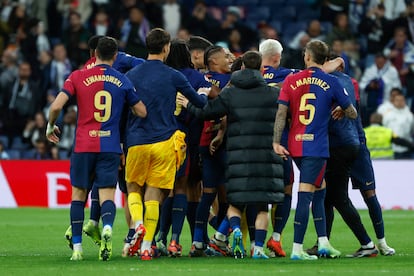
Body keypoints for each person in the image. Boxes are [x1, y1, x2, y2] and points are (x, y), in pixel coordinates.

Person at [46, 36, 147, 261]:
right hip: (110, 145)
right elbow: (142, 111)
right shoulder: (122, 80)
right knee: (107, 194)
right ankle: (108, 227)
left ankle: (78, 250)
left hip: (83, 145)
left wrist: (51, 126)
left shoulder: (77, 76)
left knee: (78, 195)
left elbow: (56, 106)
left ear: (94, 54)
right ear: (114, 56)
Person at [177, 51, 284, 259]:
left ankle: (231, 232)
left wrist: (187, 105)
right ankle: (258, 248)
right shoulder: (273, 94)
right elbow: (285, 115)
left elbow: (206, 112)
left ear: (242, 67)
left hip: (237, 154)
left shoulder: (230, 93)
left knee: (234, 202)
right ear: (262, 69)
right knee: (261, 205)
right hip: (265, 156)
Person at [124, 28, 207, 261]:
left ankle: (137, 224)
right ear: (166, 48)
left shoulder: (131, 75)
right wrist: (205, 92)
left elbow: (123, 110)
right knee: (154, 193)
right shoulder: (175, 76)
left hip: (137, 140)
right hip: (165, 143)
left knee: (133, 189)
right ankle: (147, 246)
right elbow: (200, 103)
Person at [272, 40, 357, 260]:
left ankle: (323, 242)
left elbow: (281, 114)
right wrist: (341, 107)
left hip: (295, 144)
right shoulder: (331, 82)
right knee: (306, 194)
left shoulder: (291, 80)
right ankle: (297, 249)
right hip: (316, 147)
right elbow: (352, 114)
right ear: (325, 60)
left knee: (320, 189)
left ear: (308, 57)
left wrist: (275, 142)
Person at [307, 56, 379, 258]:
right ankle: (323, 243)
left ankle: (367, 244)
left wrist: (343, 106)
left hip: (340, 144)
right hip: (339, 143)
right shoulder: (341, 79)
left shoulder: (333, 80)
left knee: (337, 197)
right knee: (327, 197)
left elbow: (351, 109)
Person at [156, 38, 211, 257]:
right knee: (186, 188)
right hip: (188, 141)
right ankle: (179, 240)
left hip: (160, 137)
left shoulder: (161, 75)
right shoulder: (197, 77)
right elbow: (204, 106)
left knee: (162, 189)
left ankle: (159, 236)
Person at [259, 38, 298, 258]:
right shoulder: (290, 76)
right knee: (286, 188)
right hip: (280, 140)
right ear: (277, 57)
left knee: (256, 192)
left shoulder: (248, 73)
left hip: (252, 141)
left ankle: (227, 237)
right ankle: (276, 238)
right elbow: (316, 73)